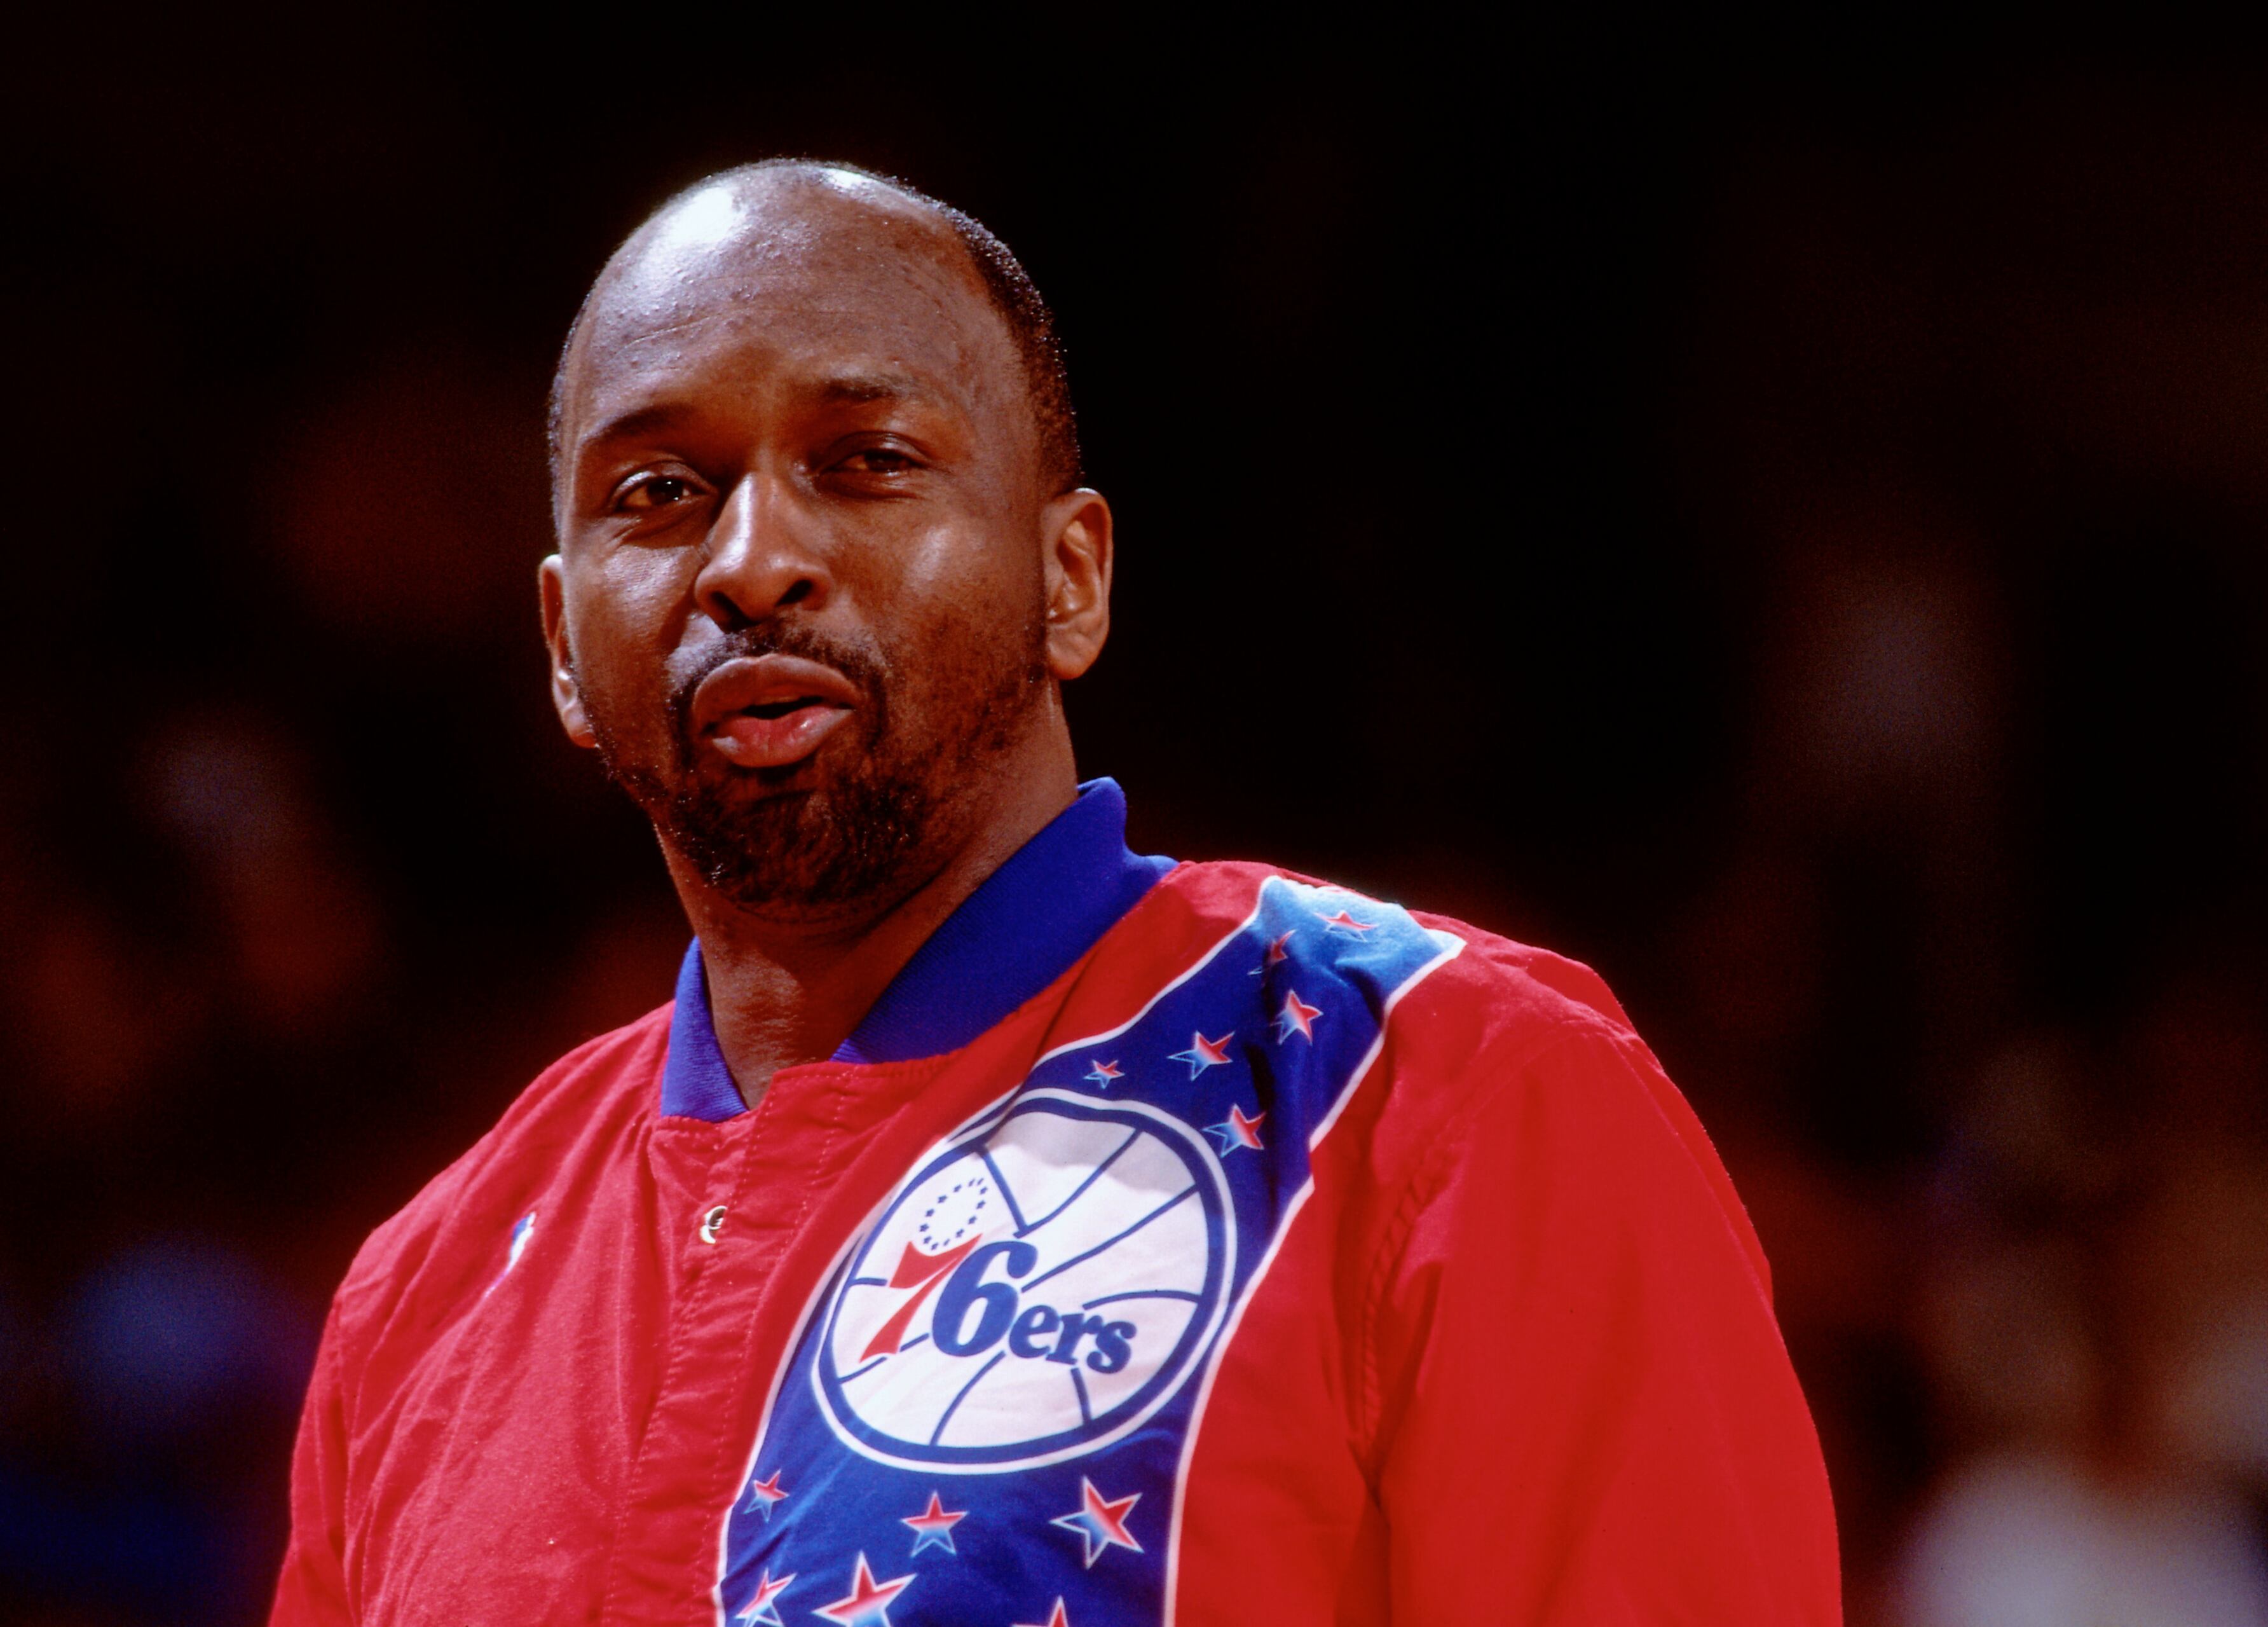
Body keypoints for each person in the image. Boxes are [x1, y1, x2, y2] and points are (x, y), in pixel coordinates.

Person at [268, 160, 1842, 1626]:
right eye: (659, 492)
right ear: (560, 641)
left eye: (867, 461)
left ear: (1071, 578)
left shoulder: (1439, 1084)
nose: (752, 560)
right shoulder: (427, 1285)